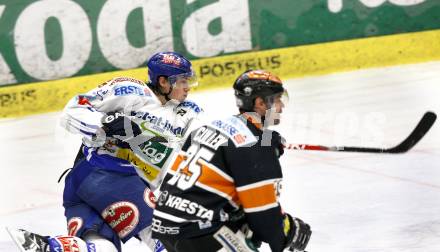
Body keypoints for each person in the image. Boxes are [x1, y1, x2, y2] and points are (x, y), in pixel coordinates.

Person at [8, 52, 203, 252]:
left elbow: (198, 154)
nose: (187, 87)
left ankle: (51, 247)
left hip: (93, 185)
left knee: (101, 248)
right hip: (105, 174)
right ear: (163, 81)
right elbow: (73, 109)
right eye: (182, 81)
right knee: (168, 239)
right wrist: (105, 122)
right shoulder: (132, 91)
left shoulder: (188, 114)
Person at [151, 69, 312, 252]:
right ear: (260, 103)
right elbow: (264, 218)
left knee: (244, 224)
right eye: (276, 100)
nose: (281, 106)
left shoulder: (214, 127)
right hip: (200, 233)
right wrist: (286, 231)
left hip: (166, 224)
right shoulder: (256, 147)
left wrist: (267, 140)